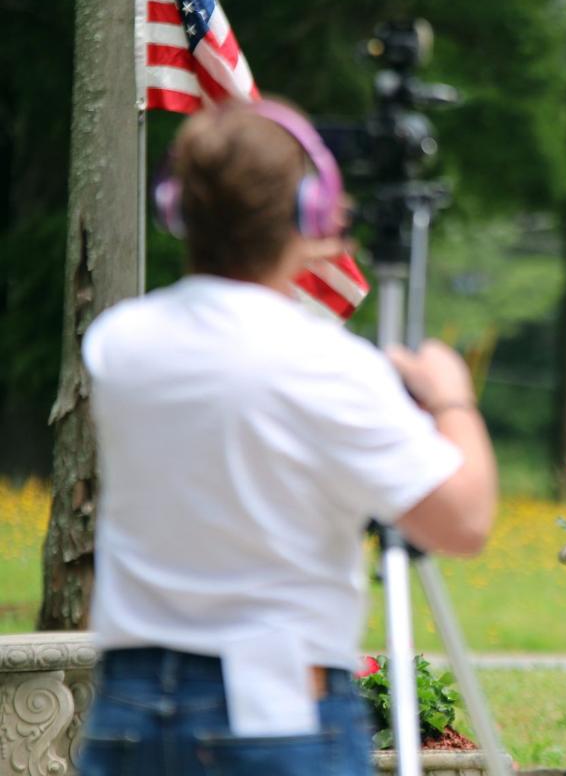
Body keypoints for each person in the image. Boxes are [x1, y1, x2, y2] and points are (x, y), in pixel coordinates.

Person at [78, 98, 498, 776]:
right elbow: (466, 520)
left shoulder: (117, 343)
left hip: (126, 708)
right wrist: (452, 395)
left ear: (175, 208)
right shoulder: (330, 364)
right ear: (312, 213)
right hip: (273, 712)